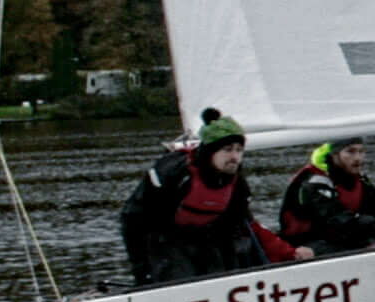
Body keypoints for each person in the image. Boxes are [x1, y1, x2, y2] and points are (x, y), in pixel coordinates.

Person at [119, 112, 302, 286]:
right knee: (178, 273)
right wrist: (142, 272)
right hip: (165, 240)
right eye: (227, 149)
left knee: (225, 266)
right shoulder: (174, 173)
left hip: (207, 238)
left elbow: (247, 225)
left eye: (239, 150)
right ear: (210, 152)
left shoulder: (236, 184)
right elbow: (132, 220)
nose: (234, 157)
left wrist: (288, 253)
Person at [280, 140, 375, 258]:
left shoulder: (358, 180)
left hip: (344, 239)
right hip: (309, 244)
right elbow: (340, 221)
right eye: (351, 152)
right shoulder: (314, 184)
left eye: (361, 152)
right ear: (335, 154)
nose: (358, 158)